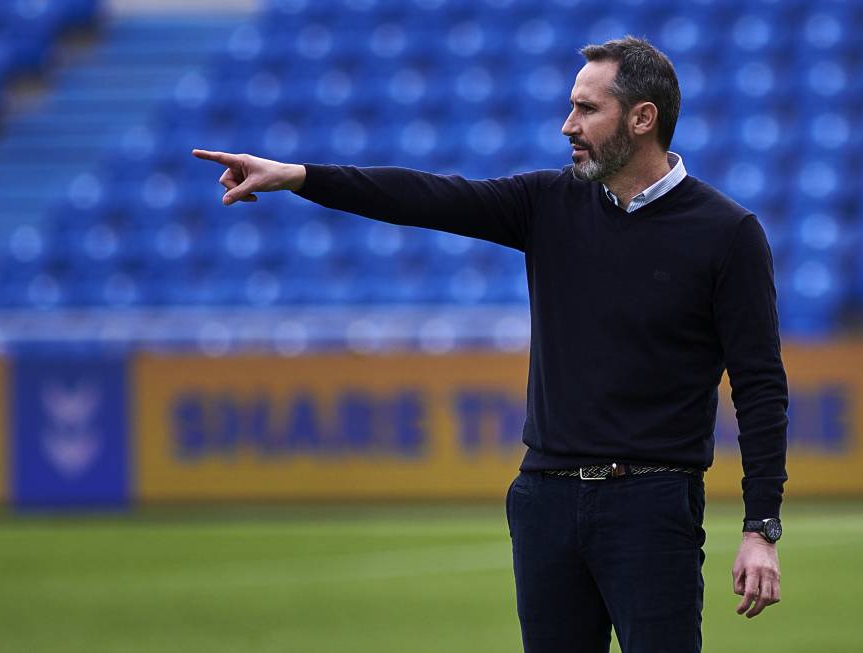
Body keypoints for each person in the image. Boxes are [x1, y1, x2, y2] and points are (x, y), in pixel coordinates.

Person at [193, 34, 787, 653]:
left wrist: (760, 528)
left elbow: (760, 388)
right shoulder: (548, 202)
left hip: (652, 504)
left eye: (587, 109)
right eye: (572, 107)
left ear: (643, 118)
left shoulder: (727, 233)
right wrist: (299, 177)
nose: (568, 125)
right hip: (545, 500)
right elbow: (425, 197)